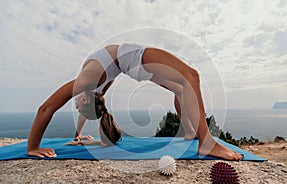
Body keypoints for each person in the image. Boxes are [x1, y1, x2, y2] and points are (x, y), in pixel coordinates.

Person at [27, 43, 243, 160]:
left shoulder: (94, 89)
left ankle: (189, 131)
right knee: (191, 76)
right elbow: (46, 108)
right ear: (85, 99)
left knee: (180, 89)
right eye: (78, 104)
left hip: (129, 67)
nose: (75, 104)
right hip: (130, 59)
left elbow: (82, 113)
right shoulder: (88, 83)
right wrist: (33, 147)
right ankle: (206, 143)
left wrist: (77, 135)